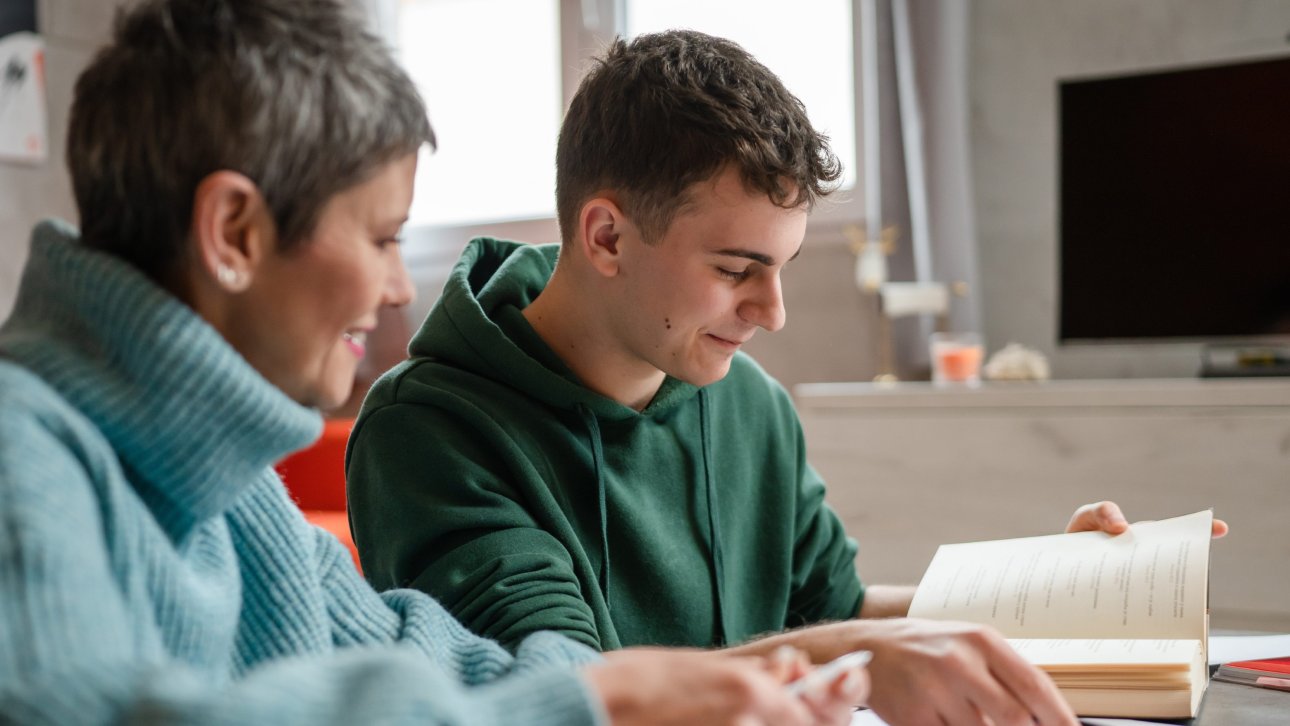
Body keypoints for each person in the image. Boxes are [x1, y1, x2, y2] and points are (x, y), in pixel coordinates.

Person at [0, 3, 868, 724]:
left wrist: (634, 689)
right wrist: (620, 695)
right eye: (383, 239)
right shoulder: (19, 445)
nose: (393, 291)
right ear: (234, 232)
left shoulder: (236, 491)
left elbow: (414, 651)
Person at [346, 30, 1228, 726]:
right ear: (607, 236)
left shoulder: (751, 405)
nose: (772, 313)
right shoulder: (427, 432)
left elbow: (836, 608)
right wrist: (859, 653)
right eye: (736, 269)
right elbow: (571, 698)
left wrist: (1044, 593)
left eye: (783, 267)